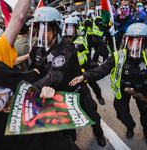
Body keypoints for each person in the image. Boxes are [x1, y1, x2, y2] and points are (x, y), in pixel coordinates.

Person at [69, 23, 147, 149]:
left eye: (137, 40)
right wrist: (85, 76)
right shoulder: (117, 56)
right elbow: (102, 70)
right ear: (126, 40)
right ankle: (130, 126)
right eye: (130, 39)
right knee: (121, 113)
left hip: (144, 89)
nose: (132, 43)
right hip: (124, 89)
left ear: (144, 41)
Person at [28, 7, 106, 146]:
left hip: (77, 91)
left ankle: (99, 134)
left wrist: (30, 91)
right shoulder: (36, 47)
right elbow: (34, 69)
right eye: (39, 29)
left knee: (92, 115)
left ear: (57, 29)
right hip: (58, 95)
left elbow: (55, 75)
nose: (42, 34)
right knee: (67, 129)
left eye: (46, 29)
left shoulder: (66, 47)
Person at [0, 57, 79, 150]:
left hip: (48, 142)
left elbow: (41, 93)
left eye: (0, 93)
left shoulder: (25, 93)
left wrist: (47, 94)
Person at [63, 17, 105, 105]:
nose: (70, 29)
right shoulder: (63, 40)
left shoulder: (80, 39)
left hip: (84, 66)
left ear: (76, 28)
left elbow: (76, 47)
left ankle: (99, 95)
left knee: (92, 83)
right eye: (67, 27)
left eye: (72, 27)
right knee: (78, 87)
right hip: (73, 69)